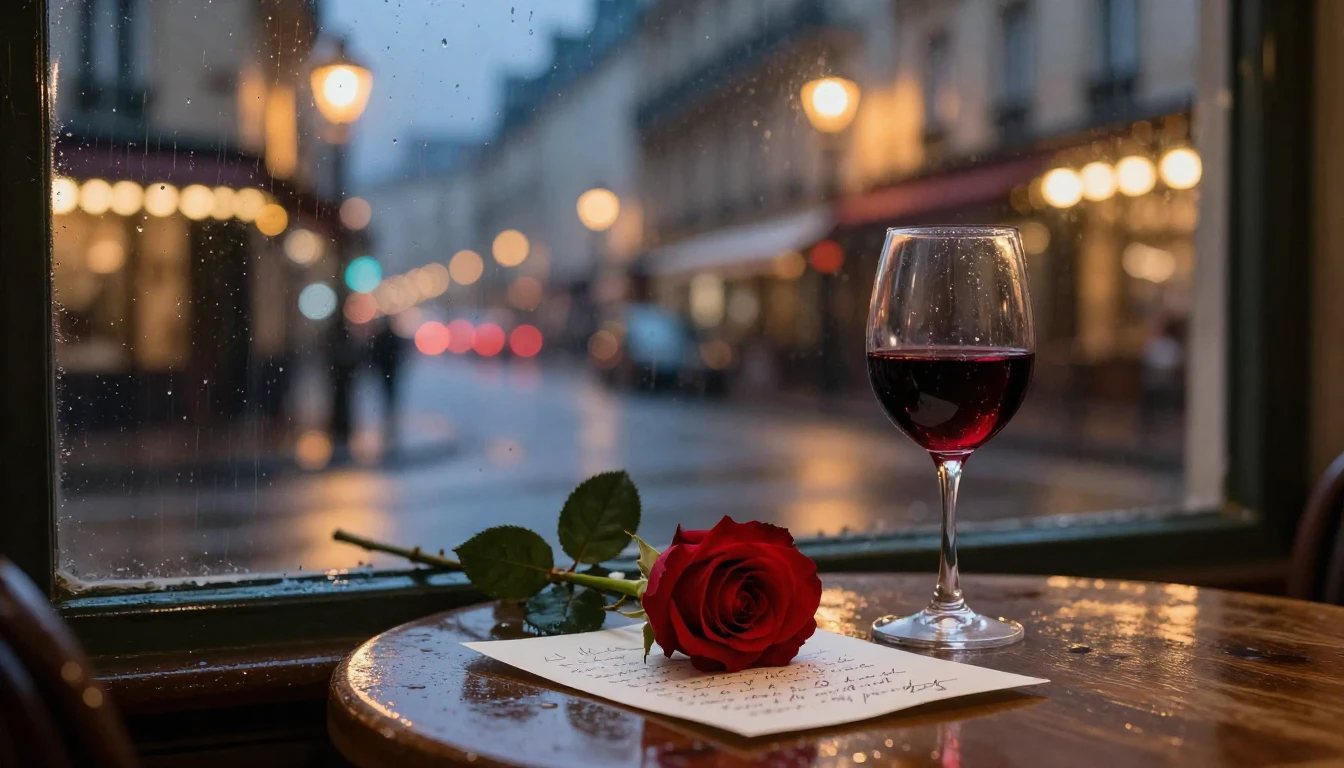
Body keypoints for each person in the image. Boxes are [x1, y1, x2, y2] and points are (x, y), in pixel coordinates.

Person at [369, 317, 405, 454]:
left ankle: (388, 412)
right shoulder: (391, 337)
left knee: (387, 391)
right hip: (390, 370)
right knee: (390, 391)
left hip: (387, 370)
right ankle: (389, 411)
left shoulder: (381, 336)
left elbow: (376, 354)